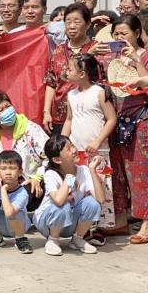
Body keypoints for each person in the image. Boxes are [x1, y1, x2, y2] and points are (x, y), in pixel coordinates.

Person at [109, 14, 148, 244]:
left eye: (124, 33)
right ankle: (120, 218)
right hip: (116, 119)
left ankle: (146, 221)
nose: (120, 38)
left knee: (140, 171)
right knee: (117, 171)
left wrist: (137, 61)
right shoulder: (111, 59)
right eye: (116, 34)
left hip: (140, 118)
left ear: (137, 34)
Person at [62, 53, 117, 235]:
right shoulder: (71, 95)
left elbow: (111, 119)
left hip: (98, 152)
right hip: (77, 152)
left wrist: (98, 141)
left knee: (101, 187)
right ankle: (83, 226)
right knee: (80, 187)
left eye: (70, 69)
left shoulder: (99, 92)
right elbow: (69, 119)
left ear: (82, 73)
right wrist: (63, 141)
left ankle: (101, 228)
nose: (66, 71)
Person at [33, 136, 106, 256]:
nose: (74, 150)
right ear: (57, 159)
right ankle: (53, 240)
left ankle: (78, 239)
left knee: (93, 203)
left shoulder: (84, 170)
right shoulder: (51, 174)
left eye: (72, 145)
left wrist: (92, 170)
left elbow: (100, 199)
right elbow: (58, 201)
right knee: (63, 205)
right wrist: (69, 179)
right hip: (47, 223)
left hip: (68, 223)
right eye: (68, 149)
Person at [0, 90, 50, 209]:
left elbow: (50, 156)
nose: (7, 111)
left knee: (26, 196)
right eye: (1, 110)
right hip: (3, 180)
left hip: (29, 179)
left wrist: (38, 177)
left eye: (8, 106)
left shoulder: (31, 129)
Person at [42, 3, 101, 133]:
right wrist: (46, 112)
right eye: (68, 22)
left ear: (88, 24)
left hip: (88, 114)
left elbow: (102, 81)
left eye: (77, 22)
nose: (72, 26)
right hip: (60, 116)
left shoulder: (98, 49)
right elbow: (51, 82)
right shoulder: (58, 50)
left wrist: (90, 54)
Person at [0, 150, 34, 253]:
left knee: (15, 211)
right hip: (2, 225)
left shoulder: (22, 193)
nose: (8, 172)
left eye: (12, 168)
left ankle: (20, 238)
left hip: (18, 226)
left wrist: (3, 189)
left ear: (20, 171)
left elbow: (9, 213)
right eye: (3, 168)